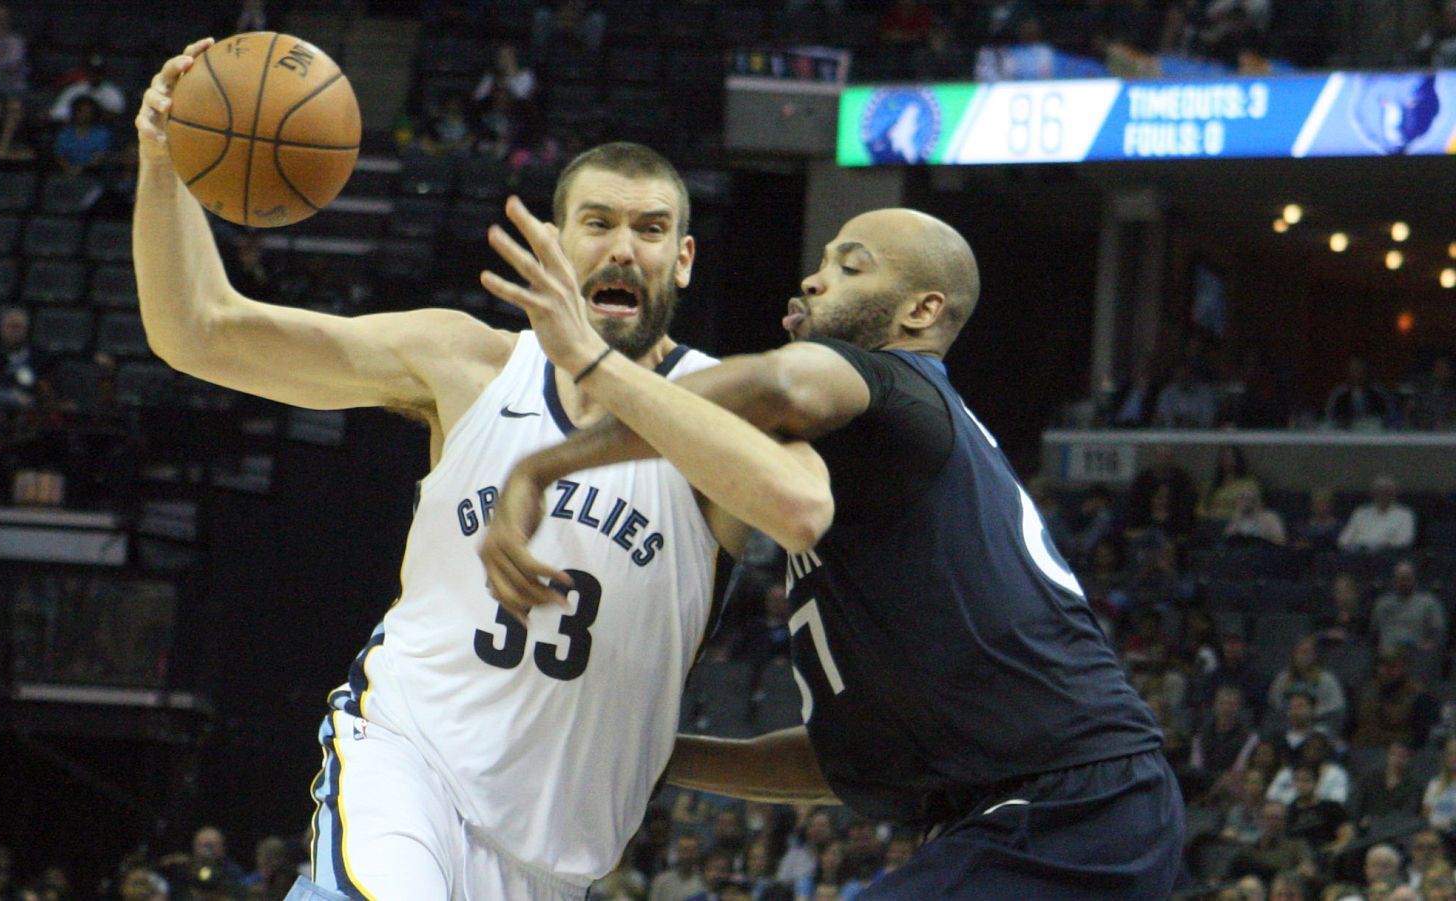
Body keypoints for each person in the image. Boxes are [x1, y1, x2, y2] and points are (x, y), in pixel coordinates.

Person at [136, 41, 829, 901]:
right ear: (555, 242)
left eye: (651, 230)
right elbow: (198, 331)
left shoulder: (720, 410)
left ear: (682, 260)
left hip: (559, 854)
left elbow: (802, 503)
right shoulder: (467, 362)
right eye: (599, 223)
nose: (623, 248)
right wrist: (163, 163)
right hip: (409, 764)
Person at [479, 205, 1182, 897]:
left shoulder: (897, 385)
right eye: (818, 266)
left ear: (920, 311)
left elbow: (774, 384)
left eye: (849, 267)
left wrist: (560, 431)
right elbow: (845, 762)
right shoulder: (883, 476)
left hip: (1073, 808)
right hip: (1063, 813)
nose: (815, 282)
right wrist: (651, 758)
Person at [1372, 559, 1446, 655]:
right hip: (1387, 657)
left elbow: (1439, 633)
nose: (1403, 582)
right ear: (1394, 580)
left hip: (1418, 656)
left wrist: (1429, 646)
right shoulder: (1382, 604)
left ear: (1414, 579)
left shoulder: (1429, 603)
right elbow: (1373, 633)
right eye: (1400, 578)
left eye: (1406, 578)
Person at [1338, 475, 1416, 551]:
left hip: (1387, 554)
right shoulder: (1360, 512)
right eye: (1379, 492)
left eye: (1387, 492)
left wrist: (1381, 546)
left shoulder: (1405, 514)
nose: (1383, 495)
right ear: (1373, 494)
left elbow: (1405, 541)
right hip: (1359, 554)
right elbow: (1343, 540)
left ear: (1394, 494)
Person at [1325, 356, 1394, 430]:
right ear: (1348, 372)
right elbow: (1330, 418)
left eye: (1360, 370)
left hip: (1373, 435)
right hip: (1346, 435)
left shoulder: (1379, 392)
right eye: (1354, 370)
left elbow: (1390, 416)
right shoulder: (1339, 394)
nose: (1357, 374)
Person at [1202, 445, 1261, 520]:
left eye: (1230, 458)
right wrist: (1207, 515)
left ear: (1237, 460)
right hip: (1212, 522)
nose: (1226, 461)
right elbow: (1201, 507)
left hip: (1237, 523)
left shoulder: (1249, 484)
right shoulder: (1211, 484)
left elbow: (1257, 509)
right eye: (1224, 458)